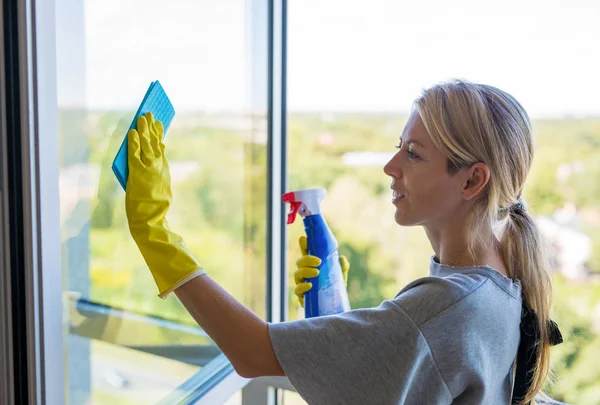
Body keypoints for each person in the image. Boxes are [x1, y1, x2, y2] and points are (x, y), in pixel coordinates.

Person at [125, 79, 562, 405]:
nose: (390, 166)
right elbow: (419, 364)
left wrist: (155, 233)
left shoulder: (442, 309)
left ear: (472, 179)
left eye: (413, 153)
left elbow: (253, 353)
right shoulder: (502, 279)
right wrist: (338, 319)